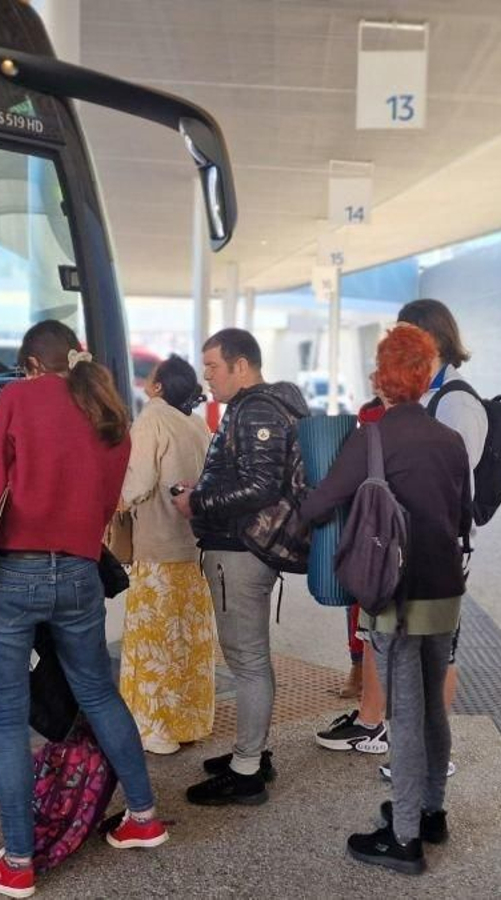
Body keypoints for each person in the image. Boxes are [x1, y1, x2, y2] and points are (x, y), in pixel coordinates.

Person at [0, 321, 168, 896]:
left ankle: (18, 861)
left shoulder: (18, 397)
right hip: (79, 572)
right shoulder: (107, 408)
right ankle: (144, 818)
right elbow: (108, 502)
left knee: (5, 716)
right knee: (98, 693)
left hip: (13, 571)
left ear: (30, 363)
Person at [300, 323, 472, 876]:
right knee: (430, 708)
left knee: (403, 711)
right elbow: (465, 515)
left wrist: (299, 521)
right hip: (445, 588)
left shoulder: (370, 438)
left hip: (393, 591)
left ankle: (403, 839)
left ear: (382, 377)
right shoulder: (450, 441)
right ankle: (431, 812)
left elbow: (323, 502)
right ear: (425, 378)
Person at [319, 299, 482, 780]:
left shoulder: (456, 401)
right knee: (384, 639)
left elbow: (454, 483)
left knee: (435, 653)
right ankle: (380, 729)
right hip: (397, 545)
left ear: (432, 343)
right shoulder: (425, 398)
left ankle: (430, 758)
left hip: (434, 552)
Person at [172, 328, 309, 806]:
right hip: (251, 547)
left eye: (212, 366)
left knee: (247, 662)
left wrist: (198, 501)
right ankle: (250, 753)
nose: (205, 375)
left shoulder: (255, 409)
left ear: (241, 366)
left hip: (241, 549)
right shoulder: (274, 404)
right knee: (251, 658)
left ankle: (247, 769)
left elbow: (261, 485)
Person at [118, 355, 216, 755]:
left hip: (158, 547)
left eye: (152, 376)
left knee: (154, 640)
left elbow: (137, 482)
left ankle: (155, 728)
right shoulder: (197, 424)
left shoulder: (153, 418)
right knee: (188, 640)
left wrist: (114, 503)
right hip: (192, 549)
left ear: (158, 387)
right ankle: (188, 721)